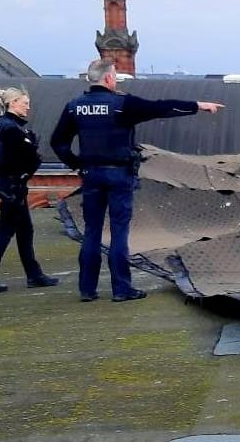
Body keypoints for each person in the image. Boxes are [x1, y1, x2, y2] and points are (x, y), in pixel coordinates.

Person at [50, 59, 224, 302]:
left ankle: (87, 290)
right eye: (115, 77)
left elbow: (57, 142)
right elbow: (161, 108)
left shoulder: (74, 107)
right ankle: (121, 289)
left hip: (91, 175)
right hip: (119, 174)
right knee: (119, 231)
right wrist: (198, 105)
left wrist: (78, 165)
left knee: (92, 231)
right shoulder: (122, 105)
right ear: (109, 78)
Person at [0, 87, 58, 293]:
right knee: (5, 232)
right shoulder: (11, 129)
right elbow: (27, 156)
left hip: (7, 183)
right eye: (25, 103)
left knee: (24, 230)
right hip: (12, 184)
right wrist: (31, 150)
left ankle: (33, 274)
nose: (28, 107)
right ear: (13, 104)